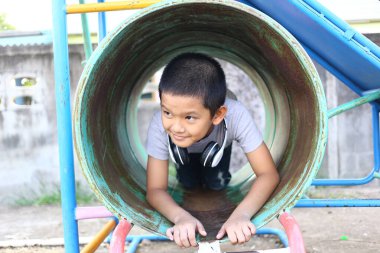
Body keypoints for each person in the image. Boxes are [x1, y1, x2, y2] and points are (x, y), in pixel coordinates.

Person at [145, 52, 280, 248]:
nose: (176, 126)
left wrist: (241, 215)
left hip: (218, 147)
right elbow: (155, 190)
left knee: (216, 183)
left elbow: (268, 174)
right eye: (168, 112)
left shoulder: (236, 116)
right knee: (188, 183)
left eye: (189, 117)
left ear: (218, 115)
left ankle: (214, 178)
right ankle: (188, 173)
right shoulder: (159, 123)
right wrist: (181, 217)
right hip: (183, 152)